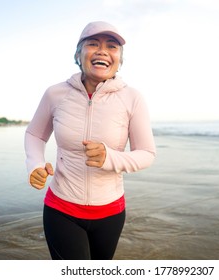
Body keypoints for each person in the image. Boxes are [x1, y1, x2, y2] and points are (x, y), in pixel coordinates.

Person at [24, 21, 156, 260]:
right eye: (93, 44)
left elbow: (146, 153)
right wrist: (35, 164)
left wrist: (110, 157)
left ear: (120, 59)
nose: (103, 51)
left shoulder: (132, 98)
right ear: (78, 54)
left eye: (112, 46)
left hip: (111, 212)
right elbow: (35, 134)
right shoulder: (55, 93)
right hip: (61, 209)